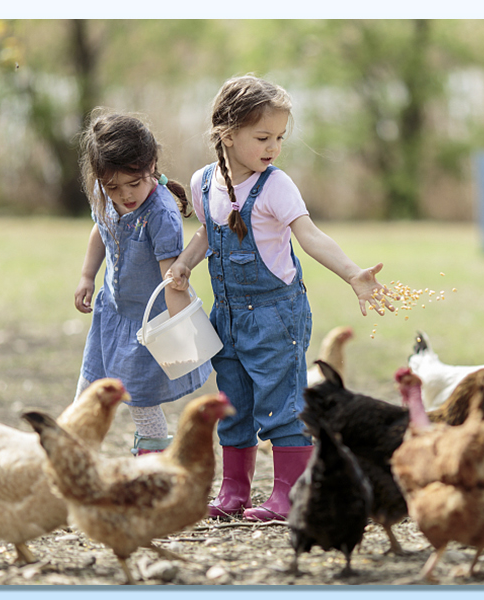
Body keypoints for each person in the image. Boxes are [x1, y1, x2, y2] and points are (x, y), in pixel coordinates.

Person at [166, 75, 388, 522]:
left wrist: (352, 274)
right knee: (234, 402)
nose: (274, 148)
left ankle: (289, 493)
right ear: (227, 135)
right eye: (263, 137)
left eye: (280, 138)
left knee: (282, 403)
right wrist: (185, 263)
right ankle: (234, 491)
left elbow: (310, 236)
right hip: (225, 315)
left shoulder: (277, 186)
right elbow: (207, 234)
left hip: (276, 316)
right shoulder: (203, 183)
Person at [73, 110, 213, 456]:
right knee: (89, 388)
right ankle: (73, 452)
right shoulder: (105, 195)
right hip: (112, 314)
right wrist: (87, 276)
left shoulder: (160, 214)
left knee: (141, 400)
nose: (124, 194)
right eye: (113, 186)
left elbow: (172, 278)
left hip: (145, 325)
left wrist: (184, 332)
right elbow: (100, 230)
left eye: (134, 184)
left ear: (151, 165)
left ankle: (153, 461)